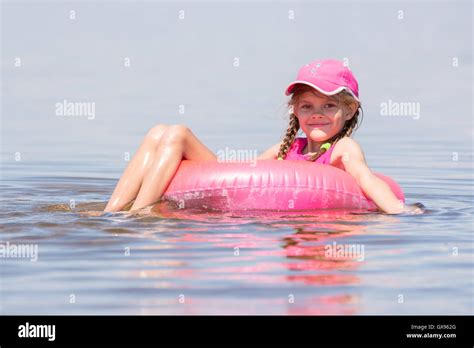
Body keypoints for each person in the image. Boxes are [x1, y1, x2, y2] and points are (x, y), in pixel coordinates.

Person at [105, 58, 422, 214]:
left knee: (177, 134)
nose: (317, 114)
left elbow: (365, 179)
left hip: (318, 208)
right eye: (307, 105)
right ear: (294, 110)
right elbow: (248, 175)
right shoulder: (287, 148)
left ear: (350, 110)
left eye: (330, 105)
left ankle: (140, 214)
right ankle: (113, 212)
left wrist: (399, 211)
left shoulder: (343, 148)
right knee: (164, 132)